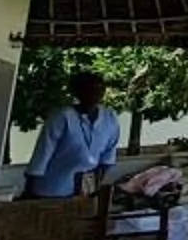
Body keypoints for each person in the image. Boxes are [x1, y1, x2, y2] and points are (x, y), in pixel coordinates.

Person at [25, 70, 121, 198]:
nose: (95, 93)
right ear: (77, 92)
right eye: (89, 89)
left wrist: (94, 187)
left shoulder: (110, 118)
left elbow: (108, 156)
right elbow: (43, 152)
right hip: (54, 188)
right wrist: (30, 190)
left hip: (85, 189)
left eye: (100, 88)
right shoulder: (62, 116)